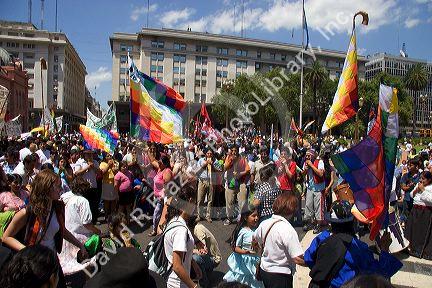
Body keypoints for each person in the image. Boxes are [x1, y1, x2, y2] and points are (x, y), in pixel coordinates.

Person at [1, 169, 89, 288]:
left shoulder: (57, 208)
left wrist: (80, 245)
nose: (61, 189)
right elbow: (6, 237)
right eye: (58, 186)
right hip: (33, 266)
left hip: (52, 260)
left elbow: (62, 230)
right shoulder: (27, 212)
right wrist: (30, 253)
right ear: (46, 188)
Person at [304, 200, 402, 288]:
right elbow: (378, 273)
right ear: (352, 222)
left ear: (331, 222)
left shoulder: (321, 239)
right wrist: (384, 248)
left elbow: (308, 259)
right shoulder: (358, 247)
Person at [254, 192, 305, 288]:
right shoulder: (288, 230)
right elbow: (297, 258)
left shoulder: (265, 223)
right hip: (281, 275)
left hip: (265, 270)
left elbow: (255, 239)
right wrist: (313, 264)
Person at [58, 176, 101, 275]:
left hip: (66, 235)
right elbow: (86, 223)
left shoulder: (64, 197)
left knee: (69, 264)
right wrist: (97, 231)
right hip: (80, 237)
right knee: (87, 266)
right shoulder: (82, 201)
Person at [164, 186, 202, 288]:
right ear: (190, 201)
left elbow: (178, 254)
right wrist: (193, 286)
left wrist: (193, 263)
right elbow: (177, 266)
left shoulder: (174, 220)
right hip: (178, 284)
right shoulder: (181, 230)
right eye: (195, 202)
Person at [223, 205, 263, 288]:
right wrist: (245, 252)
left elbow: (258, 247)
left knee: (253, 281)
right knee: (242, 279)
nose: (256, 218)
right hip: (243, 262)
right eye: (253, 216)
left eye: (257, 216)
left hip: (254, 261)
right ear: (245, 217)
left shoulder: (257, 230)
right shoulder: (243, 231)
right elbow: (235, 247)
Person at [406, 171, 432, 260]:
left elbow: (430, 200)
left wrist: (423, 190)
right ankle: (410, 248)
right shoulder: (419, 185)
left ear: (429, 180)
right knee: (412, 229)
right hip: (415, 210)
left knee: (420, 231)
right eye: (420, 178)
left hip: (425, 212)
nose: (421, 180)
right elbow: (411, 195)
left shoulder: (430, 187)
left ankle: (419, 250)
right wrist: (416, 190)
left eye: (423, 179)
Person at [71, 150, 101, 224]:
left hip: (93, 186)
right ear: (84, 155)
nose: (90, 156)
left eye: (91, 154)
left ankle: (93, 220)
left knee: (93, 204)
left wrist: (93, 167)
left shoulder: (95, 162)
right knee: (84, 205)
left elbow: (99, 172)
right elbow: (77, 173)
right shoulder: (80, 162)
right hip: (84, 187)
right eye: (87, 154)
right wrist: (87, 167)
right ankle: (85, 221)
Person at [190, 220, 222, 288]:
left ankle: (204, 284)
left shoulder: (198, 229)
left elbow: (202, 251)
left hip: (213, 258)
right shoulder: (192, 229)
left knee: (196, 258)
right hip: (206, 257)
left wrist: (189, 250)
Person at [224, 146, 250, 225]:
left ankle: (241, 218)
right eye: (232, 150)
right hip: (230, 182)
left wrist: (240, 174)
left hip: (241, 183)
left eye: (235, 150)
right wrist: (230, 160)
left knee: (242, 201)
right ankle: (229, 218)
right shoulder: (228, 158)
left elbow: (248, 170)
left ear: (238, 151)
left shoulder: (243, 159)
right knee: (229, 201)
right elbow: (225, 167)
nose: (234, 152)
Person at [302, 149, 326, 233]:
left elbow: (321, 173)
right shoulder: (306, 163)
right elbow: (303, 174)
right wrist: (305, 170)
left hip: (318, 188)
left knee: (318, 207)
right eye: (306, 155)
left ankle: (318, 224)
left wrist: (312, 165)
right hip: (310, 188)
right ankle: (308, 222)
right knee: (308, 205)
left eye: (309, 155)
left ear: (313, 155)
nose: (307, 157)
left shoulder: (320, 162)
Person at [149, 154, 173, 236]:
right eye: (159, 162)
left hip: (163, 197)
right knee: (157, 214)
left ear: (165, 163)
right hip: (156, 196)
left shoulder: (167, 171)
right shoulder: (160, 169)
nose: (159, 163)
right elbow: (152, 161)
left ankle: (157, 231)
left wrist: (162, 197)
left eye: (160, 162)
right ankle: (157, 229)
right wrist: (148, 151)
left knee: (158, 214)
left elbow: (168, 186)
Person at [196, 149, 218, 223]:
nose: (209, 155)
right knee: (200, 199)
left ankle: (208, 216)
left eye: (210, 153)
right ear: (205, 154)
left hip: (212, 181)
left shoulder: (215, 161)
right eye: (208, 153)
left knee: (210, 199)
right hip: (202, 181)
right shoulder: (201, 160)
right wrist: (205, 164)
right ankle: (199, 215)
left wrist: (213, 165)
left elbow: (220, 169)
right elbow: (197, 170)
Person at [400, 158, 420, 223]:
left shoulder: (421, 176)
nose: (408, 167)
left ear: (416, 166)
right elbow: (403, 187)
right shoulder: (405, 176)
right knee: (406, 216)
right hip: (407, 199)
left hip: (417, 201)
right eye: (408, 165)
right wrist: (409, 187)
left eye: (410, 165)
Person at [99, 153, 118, 222]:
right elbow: (102, 172)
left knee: (113, 200)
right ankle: (106, 216)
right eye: (107, 156)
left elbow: (117, 173)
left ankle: (113, 216)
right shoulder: (103, 163)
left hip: (113, 184)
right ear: (105, 157)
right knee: (106, 201)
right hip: (106, 184)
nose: (109, 157)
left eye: (110, 156)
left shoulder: (115, 163)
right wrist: (108, 165)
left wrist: (113, 167)